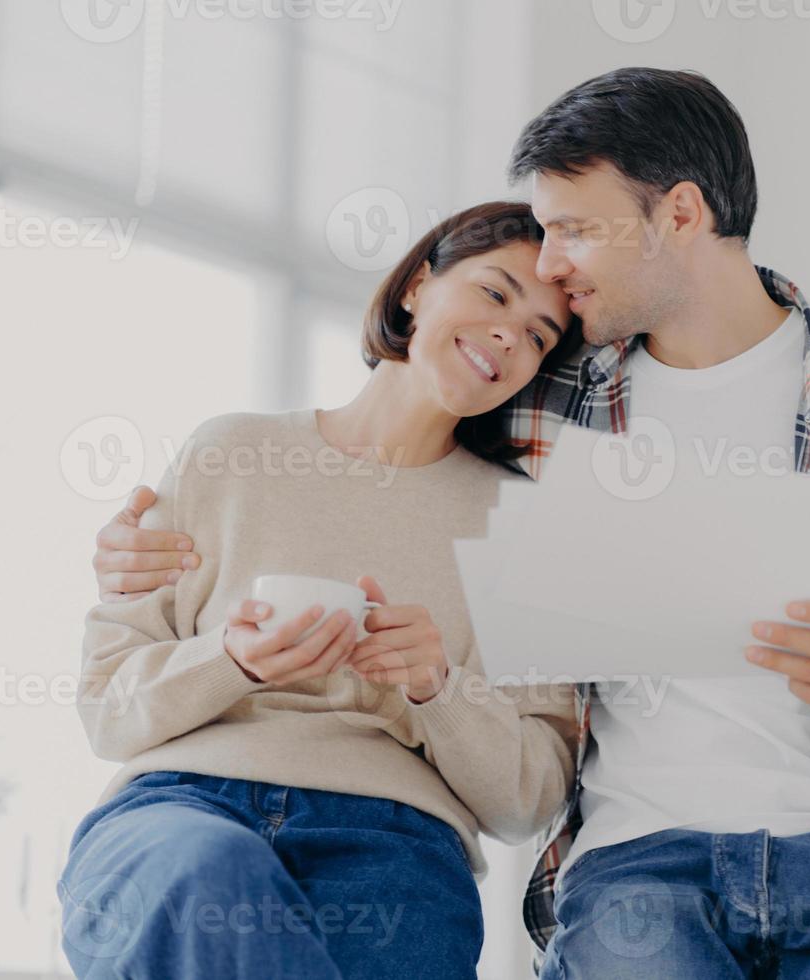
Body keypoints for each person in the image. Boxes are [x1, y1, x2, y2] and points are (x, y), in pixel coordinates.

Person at [94, 68, 810, 980]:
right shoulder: (546, 407)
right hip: (639, 855)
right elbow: (386, 444)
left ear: (682, 216)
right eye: (539, 241)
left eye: (574, 229)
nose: (551, 264)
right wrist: (138, 547)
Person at [60, 201, 585, 979]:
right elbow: (108, 705)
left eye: (540, 334)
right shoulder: (230, 453)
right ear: (416, 286)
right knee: (205, 876)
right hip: (183, 806)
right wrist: (231, 660)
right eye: (496, 293)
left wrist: (436, 688)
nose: (512, 333)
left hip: (394, 843)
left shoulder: (528, 530)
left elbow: (529, 798)